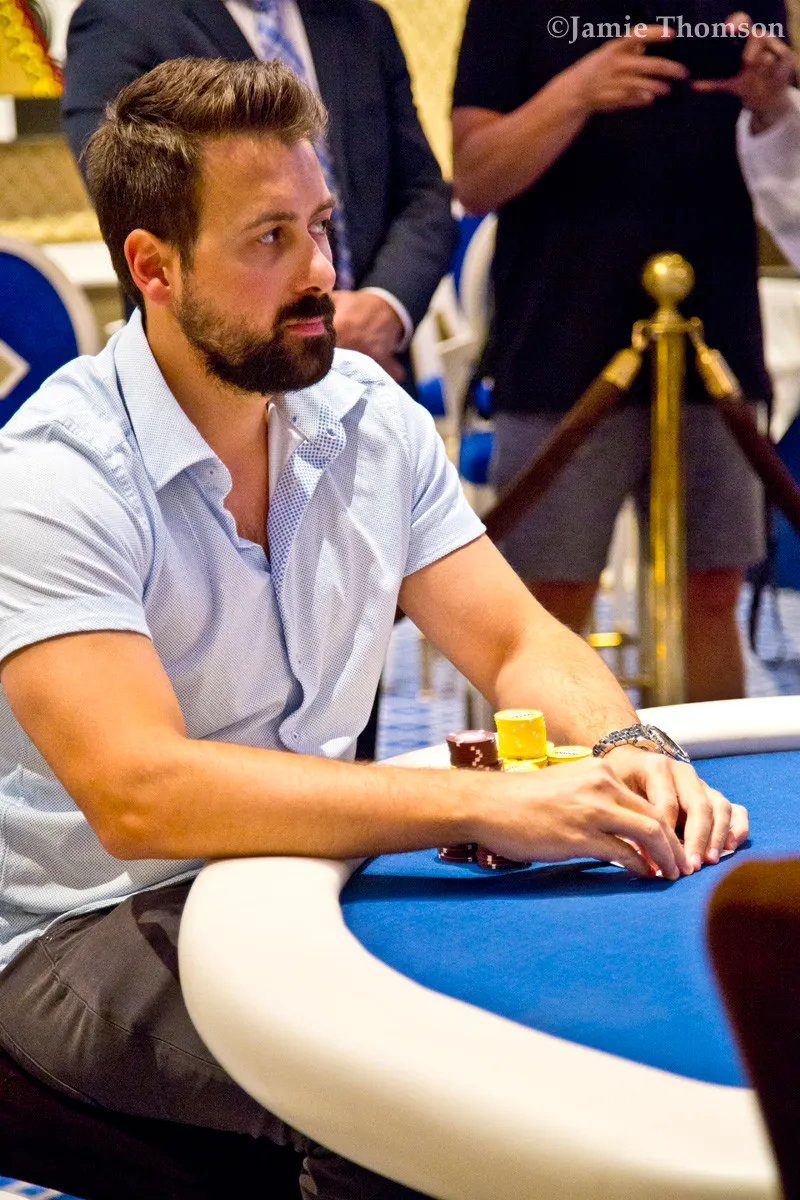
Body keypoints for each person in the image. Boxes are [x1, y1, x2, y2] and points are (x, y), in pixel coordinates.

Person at [0, 58, 746, 1200]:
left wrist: (625, 746)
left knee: (555, 1033)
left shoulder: (367, 417)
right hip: (83, 930)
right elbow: (141, 794)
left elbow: (514, 642)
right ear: (153, 267)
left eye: (320, 227)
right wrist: (484, 802)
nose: (320, 273)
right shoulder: (56, 478)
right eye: (269, 239)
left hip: (306, 874)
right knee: (427, 1111)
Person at [452, 2, 786, 703]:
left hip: (716, 334)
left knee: (713, 591)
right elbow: (476, 177)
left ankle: (710, 773)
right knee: (547, 601)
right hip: (557, 339)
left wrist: (771, 103)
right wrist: (576, 92)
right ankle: (550, 773)